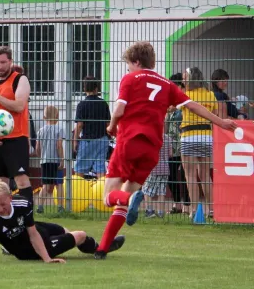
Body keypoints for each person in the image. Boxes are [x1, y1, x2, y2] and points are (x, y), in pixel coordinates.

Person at [94, 41, 237, 260]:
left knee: (109, 197)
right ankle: (102, 249)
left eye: (128, 65)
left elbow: (120, 108)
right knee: (123, 199)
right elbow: (193, 106)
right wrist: (221, 122)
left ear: (136, 62)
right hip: (152, 147)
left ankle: (130, 201)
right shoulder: (167, 84)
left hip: (129, 141)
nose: (128, 69)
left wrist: (112, 126)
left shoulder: (130, 79)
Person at [0, 180, 125, 266]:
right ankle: (101, 248)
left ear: (10, 198)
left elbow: (33, 233)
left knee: (63, 229)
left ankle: (96, 247)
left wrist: (47, 258)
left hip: (36, 233)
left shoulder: (23, 205)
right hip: (29, 252)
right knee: (80, 235)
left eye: (3, 204)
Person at [0, 46, 33, 203]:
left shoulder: (20, 79)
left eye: (3, 62)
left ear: (10, 61)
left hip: (16, 138)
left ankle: (26, 217)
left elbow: (19, 106)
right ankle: (0, 217)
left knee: (21, 180)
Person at [180, 67, 218, 219]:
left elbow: (170, 109)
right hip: (206, 136)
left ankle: (194, 210)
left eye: (184, 77)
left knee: (190, 175)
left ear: (189, 79)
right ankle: (212, 209)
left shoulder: (185, 95)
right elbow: (215, 115)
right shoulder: (210, 95)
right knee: (205, 176)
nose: (183, 80)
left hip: (188, 135)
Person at [74, 76, 111, 178]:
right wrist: (109, 137)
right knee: (100, 168)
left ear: (84, 89)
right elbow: (108, 124)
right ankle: (101, 191)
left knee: (79, 167)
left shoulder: (81, 105)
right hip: (102, 139)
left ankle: (78, 190)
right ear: (96, 89)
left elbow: (80, 125)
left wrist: (75, 140)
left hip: (87, 140)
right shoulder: (103, 103)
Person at [166, 73, 191, 215]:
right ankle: (177, 204)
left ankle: (187, 205)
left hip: (184, 142)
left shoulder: (185, 100)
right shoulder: (170, 102)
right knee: (171, 174)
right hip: (171, 145)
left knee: (187, 173)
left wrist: (176, 108)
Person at [35, 105, 64, 214]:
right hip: (56, 160)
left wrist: (41, 156)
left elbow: (38, 147)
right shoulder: (59, 129)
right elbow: (59, 145)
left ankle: (40, 206)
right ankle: (60, 207)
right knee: (59, 184)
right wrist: (62, 159)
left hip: (45, 160)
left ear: (43, 117)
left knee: (45, 185)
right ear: (57, 116)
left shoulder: (40, 131)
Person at [143, 133, 172, 219]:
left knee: (146, 189)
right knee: (161, 191)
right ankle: (161, 212)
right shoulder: (168, 138)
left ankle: (149, 211)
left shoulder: (151, 137)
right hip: (165, 168)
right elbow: (171, 154)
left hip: (154, 167)